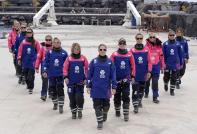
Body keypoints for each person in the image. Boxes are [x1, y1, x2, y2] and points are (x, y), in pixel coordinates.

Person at [87, 44, 117, 130]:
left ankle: (105, 113)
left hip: (106, 89)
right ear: (98, 50)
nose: (102, 51)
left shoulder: (110, 62)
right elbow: (89, 75)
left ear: (106, 50)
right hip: (96, 88)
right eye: (101, 49)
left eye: (104, 49)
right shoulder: (94, 61)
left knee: (106, 106)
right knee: (96, 106)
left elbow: (113, 75)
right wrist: (88, 86)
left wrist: (114, 86)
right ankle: (99, 122)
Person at [110, 38, 135, 121]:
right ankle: (117, 110)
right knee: (117, 96)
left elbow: (133, 66)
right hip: (116, 80)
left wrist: (133, 76)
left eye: (123, 44)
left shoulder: (129, 55)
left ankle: (126, 113)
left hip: (126, 80)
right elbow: (110, 66)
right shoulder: (114, 54)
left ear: (125, 45)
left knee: (125, 96)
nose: (122, 45)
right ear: (118, 44)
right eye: (120, 43)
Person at [42, 37, 68, 114]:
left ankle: (61, 106)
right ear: (52, 43)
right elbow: (45, 62)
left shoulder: (64, 53)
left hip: (60, 75)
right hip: (51, 75)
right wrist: (44, 70)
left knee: (60, 89)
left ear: (60, 44)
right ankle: (55, 103)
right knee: (52, 90)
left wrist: (67, 75)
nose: (56, 44)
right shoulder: (49, 52)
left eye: (58, 42)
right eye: (55, 42)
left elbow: (67, 65)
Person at [63, 43, 88, 119]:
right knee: (72, 98)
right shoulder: (69, 58)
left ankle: (80, 110)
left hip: (80, 82)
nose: (76, 50)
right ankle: (73, 112)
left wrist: (86, 78)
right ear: (72, 49)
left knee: (79, 97)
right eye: (75, 49)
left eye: (78, 49)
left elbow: (87, 69)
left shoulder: (83, 58)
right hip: (70, 82)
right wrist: (66, 77)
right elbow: (65, 69)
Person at [130, 33, 152, 113]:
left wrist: (149, 71)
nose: (139, 40)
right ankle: (135, 105)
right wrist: (130, 74)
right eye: (138, 38)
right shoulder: (132, 50)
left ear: (142, 39)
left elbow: (149, 61)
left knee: (141, 89)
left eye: (140, 38)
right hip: (135, 74)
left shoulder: (146, 50)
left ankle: (139, 100)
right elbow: (129, 63)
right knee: (135, 90)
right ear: (135, 39)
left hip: (143, 73)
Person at [17, 27, 40, 94]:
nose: (28, 34)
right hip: (25, 62)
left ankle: (31, 88)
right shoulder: (23, 42)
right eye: (27, 33)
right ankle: (28, 84)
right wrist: (19, 58)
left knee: (31, 76)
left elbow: (39, 52)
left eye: (30, 32)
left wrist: (37, 60)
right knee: (26, 76)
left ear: (32, 34)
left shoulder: (36, 42)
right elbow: (20, 51)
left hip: (32, 62)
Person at [144, 32, 164, 103]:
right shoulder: (145, 47)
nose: (152, 38)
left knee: (155, 83)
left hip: (156, 67)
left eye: (153, 37)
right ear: (149, 38)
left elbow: (161, 57)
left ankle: (155, 97)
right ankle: (146, 92)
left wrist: (162, 66)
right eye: (151, 37)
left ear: (155, 38)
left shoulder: (159, 46)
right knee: (147, 82)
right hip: (148, 68)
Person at [163, 30, 183, 96]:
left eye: (173, 35)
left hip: (175, 63)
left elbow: (180, 54)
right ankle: (165, 84)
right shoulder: (165, 44)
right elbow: (163, 55)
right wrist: (163, 63)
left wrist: (181, 63)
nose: (172, 36)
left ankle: (172, 90)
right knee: (166, 77)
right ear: (168, 36)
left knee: (174, 77)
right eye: (170, 35)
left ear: (174, 36)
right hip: (167, 63)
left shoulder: (178, 44)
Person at [35, 35, 53, 101]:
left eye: (49, 40)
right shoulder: (42, 48)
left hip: (52, 67)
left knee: (51, 80)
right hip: (44, 66)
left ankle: (51, 92)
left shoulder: (54, 48)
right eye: (46, 39)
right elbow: (38, 57)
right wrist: (36, 67)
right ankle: (43, 94)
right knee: (45, 81)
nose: (48, 41)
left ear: (52, 40)